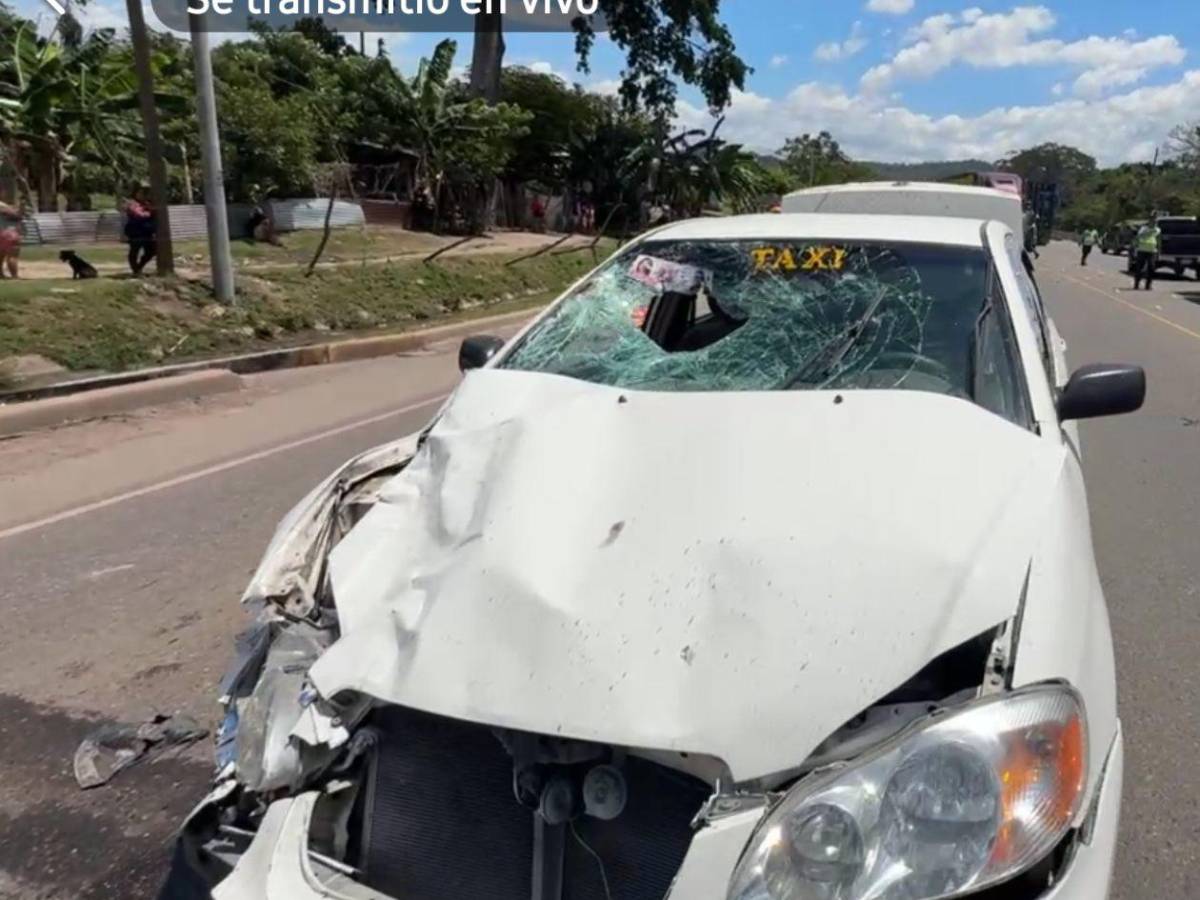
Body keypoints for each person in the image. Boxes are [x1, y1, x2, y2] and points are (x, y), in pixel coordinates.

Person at [124, 186, 157, 275]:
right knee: (134, 252)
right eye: (141, 193)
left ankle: (139, 267)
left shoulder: (147, 204)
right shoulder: (132, 203)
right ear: (136, 194)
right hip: (135, 231)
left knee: (152, 251)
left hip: (147, 232)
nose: (143, 195)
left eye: (144, 194)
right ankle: (136, 270)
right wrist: (150, 212)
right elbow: (138, 214)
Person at [1131, 216, 1162, 291]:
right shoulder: (1144, 229)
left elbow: (1159, 240)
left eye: (1155, 222)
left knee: (1151, 268)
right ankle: (1136, 284)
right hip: (1142, 250)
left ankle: (1148, 285)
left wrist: (1159, 250)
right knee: (1139, 268)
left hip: (1152, 251)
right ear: (1149, 222)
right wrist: (1135, 246)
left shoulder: (1157, 230)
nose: (1154, 223)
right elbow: (1138, 237)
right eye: (1152, 222)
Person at [0, 198, 23, 279]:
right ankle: (14, 276)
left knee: (1, 255)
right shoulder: (2, 205)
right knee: (12, 256)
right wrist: (19, 209)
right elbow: (16, 215)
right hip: (8, 232)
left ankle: (1, 274)